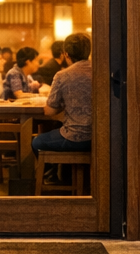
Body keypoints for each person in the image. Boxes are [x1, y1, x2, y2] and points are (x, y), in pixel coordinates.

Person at [32, 32, 94, 160]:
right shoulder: (100, 71)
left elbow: (49, 111)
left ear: (66, 54)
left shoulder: (62, 75)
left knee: (37, 142)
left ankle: (52, 171)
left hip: (74, 137)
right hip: (99, 137)